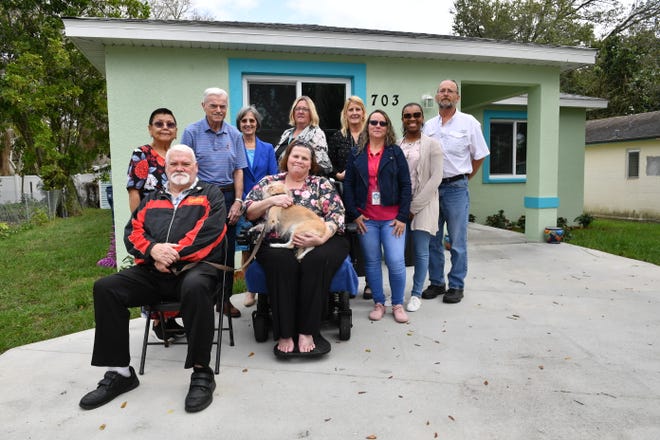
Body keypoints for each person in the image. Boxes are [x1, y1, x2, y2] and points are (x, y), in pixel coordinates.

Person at [79, 144, 227, 413]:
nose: (180, 168)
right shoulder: (152, 198)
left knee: (196, 287)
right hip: (152, 270)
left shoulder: (210, 195)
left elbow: (210, 233)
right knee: (106, 288)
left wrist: (171, 255)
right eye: (174, 164)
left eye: (186, 164)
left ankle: (202, 373)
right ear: (166, 168)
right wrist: (152, 251)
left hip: (194, 269)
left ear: (195, 168)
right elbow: (132, 231)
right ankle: (121, 373)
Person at [244, 140, 348, 354]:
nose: (299, 161)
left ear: (311, 164)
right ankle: (285, 333)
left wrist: (320, 239)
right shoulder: (269, 181)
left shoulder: (321, 184)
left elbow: (337, 216)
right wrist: (271, 202)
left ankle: (307, 331)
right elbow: (249, 211)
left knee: (315, 259)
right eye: (295, 156)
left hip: (320, 236)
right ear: (286, 159)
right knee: (283, 263)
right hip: (275, 239)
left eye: (304, 158)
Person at [421, 79, 490, 304]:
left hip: (456, 189)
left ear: (457, 97)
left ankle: (457, 285)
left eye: (450, 91)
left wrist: (464, 177)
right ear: (437, 96)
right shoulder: (429, 126)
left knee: (457, 241)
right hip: (432, 190)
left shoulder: (469, 123)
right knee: (433, 239)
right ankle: (437, 283)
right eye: (442, 90)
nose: (446, 94)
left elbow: (479, 155)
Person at [182, 87, 247, 318]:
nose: (218, 110)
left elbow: (239, 170)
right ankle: (202, 301)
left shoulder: (235, 135)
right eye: (213, 105)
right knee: (202, 250)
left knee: (227, 251)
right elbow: (186, 168)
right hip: (202, 197)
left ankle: (224, 299)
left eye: (222, 106)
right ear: (204, 106)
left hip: (229, 196)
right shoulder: (191, 132)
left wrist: (238, 201)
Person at [343, 110, 412, 323]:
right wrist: (354, 214)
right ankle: (379, 303)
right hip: (368, 221)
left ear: (387, 127)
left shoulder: (395, 153)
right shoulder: (356, 153)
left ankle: (398, 303)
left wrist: (402, 217)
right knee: (372, 262)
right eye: (374, 122)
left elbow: (405, 185)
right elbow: (349, 186)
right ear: (368, 125)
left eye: (382, 123)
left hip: (393, 220)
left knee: (395, 261)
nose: (378, 125)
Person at [125, 108, 185, 339]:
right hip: (150, 223)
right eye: (159, 124)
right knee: (154, 269)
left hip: (176, 221)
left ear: (176, 130)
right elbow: (134, 191)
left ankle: (171, 318)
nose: (165, 128)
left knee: (173, 267)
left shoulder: (176, 156)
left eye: (170, 124)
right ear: (150, 129)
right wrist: (139, 224)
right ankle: (160, 321)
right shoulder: (142, 154)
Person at [397, 103, 444, 312]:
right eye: (407, 116)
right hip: (399, 206)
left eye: (416, 115)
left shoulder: (433, 144)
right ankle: (398, 294)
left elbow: (436, 178)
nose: (412, 119)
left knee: (421, 252)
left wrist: (414, 206)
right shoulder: (397, 144)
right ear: (403, 119)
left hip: (424, 204)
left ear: (423, 117)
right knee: (395, 253)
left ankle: (416, 293)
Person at [327, 96, 372, 299]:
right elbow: (329, 165)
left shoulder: (371, 135)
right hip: (344, 194)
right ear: (345, 114)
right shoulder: (338, 136)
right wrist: (338, 174)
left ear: (363, 112)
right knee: (346, 238)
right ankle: (348, 282)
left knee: (368, 237)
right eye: (350, 110)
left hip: (368, 194)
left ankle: (371, 283)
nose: (354, 113)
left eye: (358, 109)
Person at [234, 105, 278, 307]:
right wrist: (242, 200)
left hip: (263, 204)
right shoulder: (234, 146)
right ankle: (251, 289)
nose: (248, 124)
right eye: (244, 121)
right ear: (239, 124)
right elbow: (233, 174)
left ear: (257, 124)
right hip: (242, 203)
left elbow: (273, 176)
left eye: (251, 121)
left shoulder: (267, 148)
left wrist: (264, 201)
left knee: (264, 244)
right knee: (246, 247)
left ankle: (266, 286)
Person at [274, 96, 333, 176]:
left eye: (305, 109)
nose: (300, 112)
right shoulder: (287, 133)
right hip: (282, 179)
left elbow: (320, 165)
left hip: (305, 181)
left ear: (311, 113)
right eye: (297, 109)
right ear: (293, 112)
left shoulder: (316, 133)